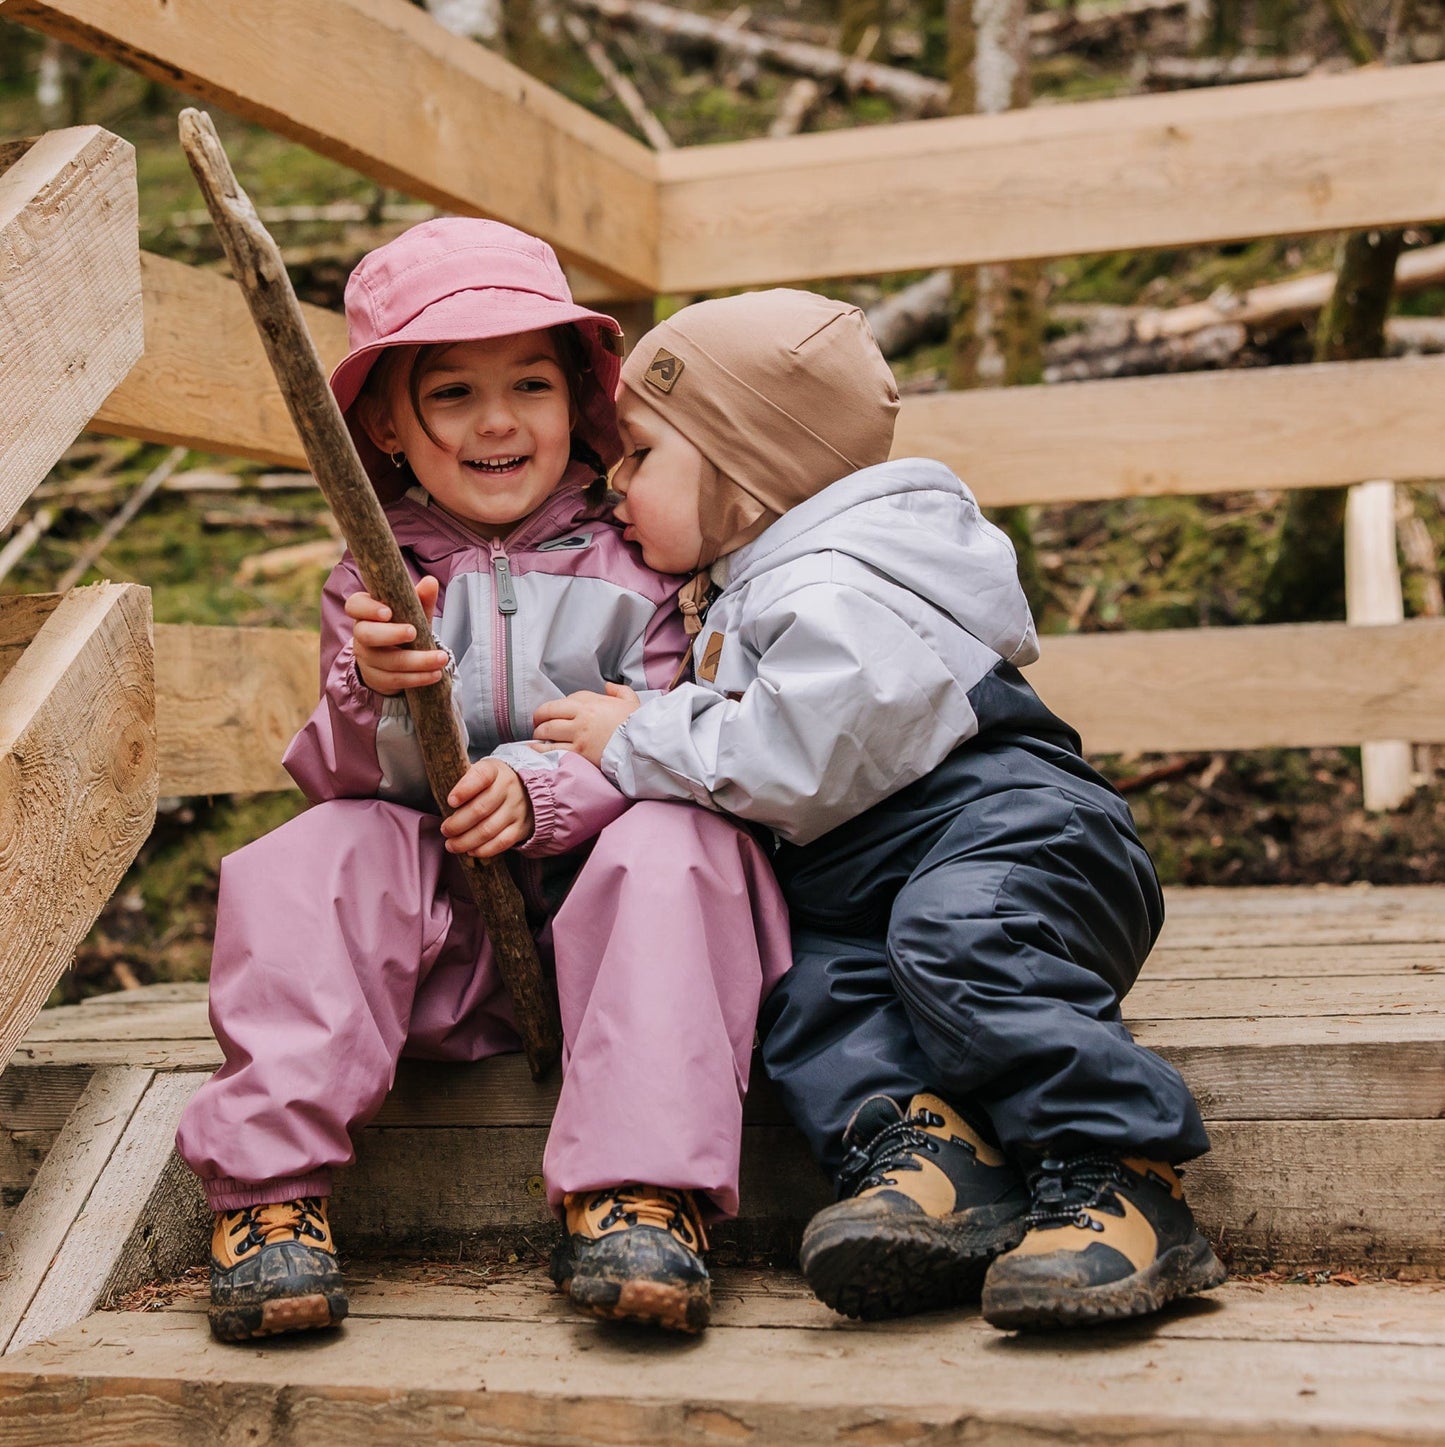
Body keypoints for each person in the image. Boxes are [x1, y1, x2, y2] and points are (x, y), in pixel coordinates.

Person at [533, 288, 1226, 1332]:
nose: (614, 482)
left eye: (639, 454)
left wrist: (636, 739)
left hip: (1013, 840)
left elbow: (808, 750)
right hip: (871, 877)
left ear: (746, 465)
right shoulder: (760, 581)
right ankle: (936, 1154)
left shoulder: (838, 576)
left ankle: (1120, 1170)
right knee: (805, 981)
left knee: (959, 936)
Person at [175, 220, 791, 1343]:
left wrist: (542, 786)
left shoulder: (640, 556)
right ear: (387, 426)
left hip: (623, 962)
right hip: (438, 963)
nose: (498, 420)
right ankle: (270, 1200)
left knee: (687, 837)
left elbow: (673, 728)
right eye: (452, 392)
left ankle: (636, 1192)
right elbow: (344, 776)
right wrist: (371, 687)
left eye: (530, 385)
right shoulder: (376, 573)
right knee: (310, 852)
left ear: (577, 399)